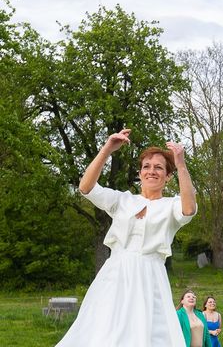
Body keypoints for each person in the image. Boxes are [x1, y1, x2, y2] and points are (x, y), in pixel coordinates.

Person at [57, 129, 197, 346]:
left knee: (147, 334)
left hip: (150, 277)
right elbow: (86, 188)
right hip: (115, 274)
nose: (152, 171)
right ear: (140, 173)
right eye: (147, 167)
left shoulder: (171, 206)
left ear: (168, 176)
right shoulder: (122, 200)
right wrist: (107, 150)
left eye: (159, 167)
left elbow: (188, 209)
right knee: (102, 332)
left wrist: (180, 164)